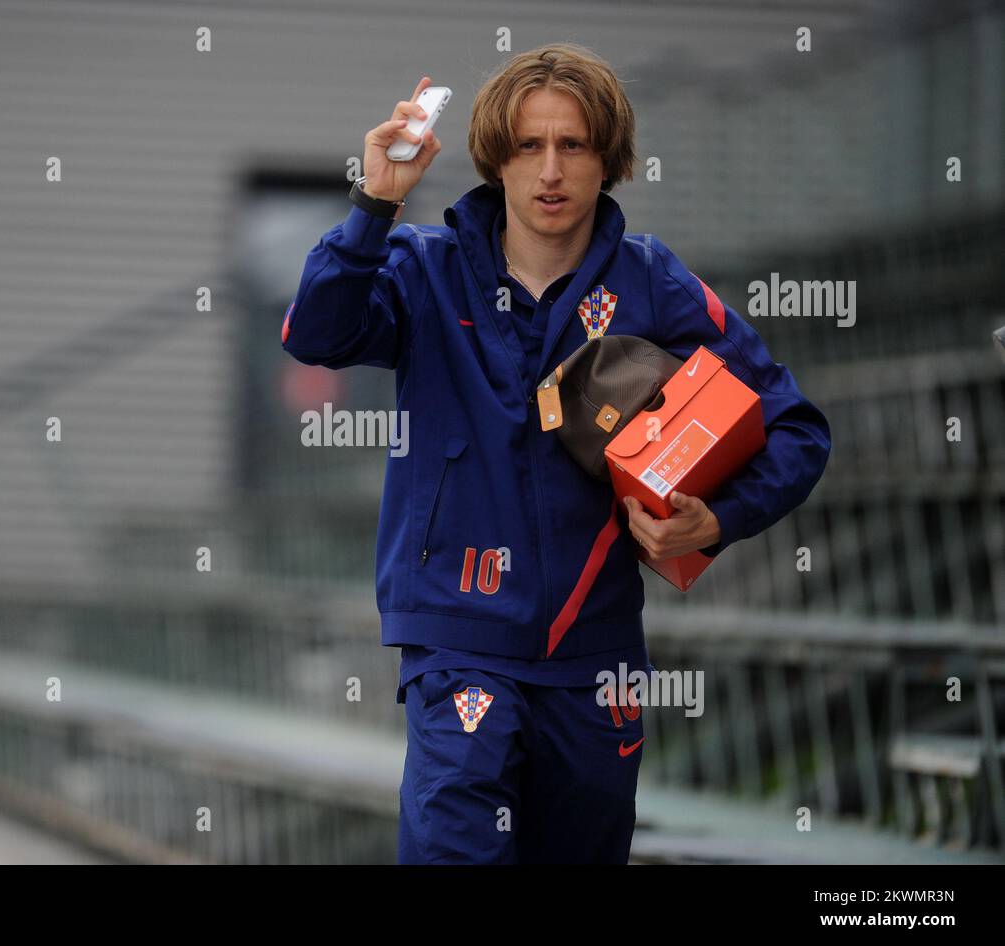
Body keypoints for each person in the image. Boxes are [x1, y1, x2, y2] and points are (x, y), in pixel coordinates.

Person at [280, 43, 831, 863]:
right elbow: (315, 333)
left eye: (572, 145)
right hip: (457, 644)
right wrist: (372, 209)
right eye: (528, 145)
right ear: (494, 157)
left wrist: (714, 520)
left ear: (607, 160)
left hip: (593, 660)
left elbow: (797, 429)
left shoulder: (653, 283)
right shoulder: (422, 268)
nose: (550, 170)